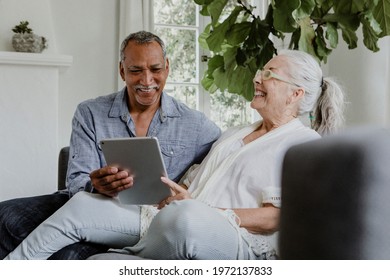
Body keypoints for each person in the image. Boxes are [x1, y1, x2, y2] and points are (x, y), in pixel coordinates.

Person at [4, 49, 345, 260]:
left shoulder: (303, 144)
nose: (257, 78)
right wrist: (176, 192)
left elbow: (275, 217)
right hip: (172, 216)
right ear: (122, 72)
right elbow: (198, 184)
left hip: (231, 238)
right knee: (82, 207)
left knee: (186, 221)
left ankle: (135, 251)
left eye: (269, 74)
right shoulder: (235, 133)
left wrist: (202, 208)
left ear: (295, 94)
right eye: (261, 71)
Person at [0, 31, 221, 260]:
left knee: (68, 255)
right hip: (85, 202)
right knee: (4, 216)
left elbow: (230, 158)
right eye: (136, 71)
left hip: (136, 220)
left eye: (155, 69)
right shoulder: (90, 113)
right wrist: (96, 185)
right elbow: (76, 183)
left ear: (167, 67)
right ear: (122, 70)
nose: (147, 81)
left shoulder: (196, 125)